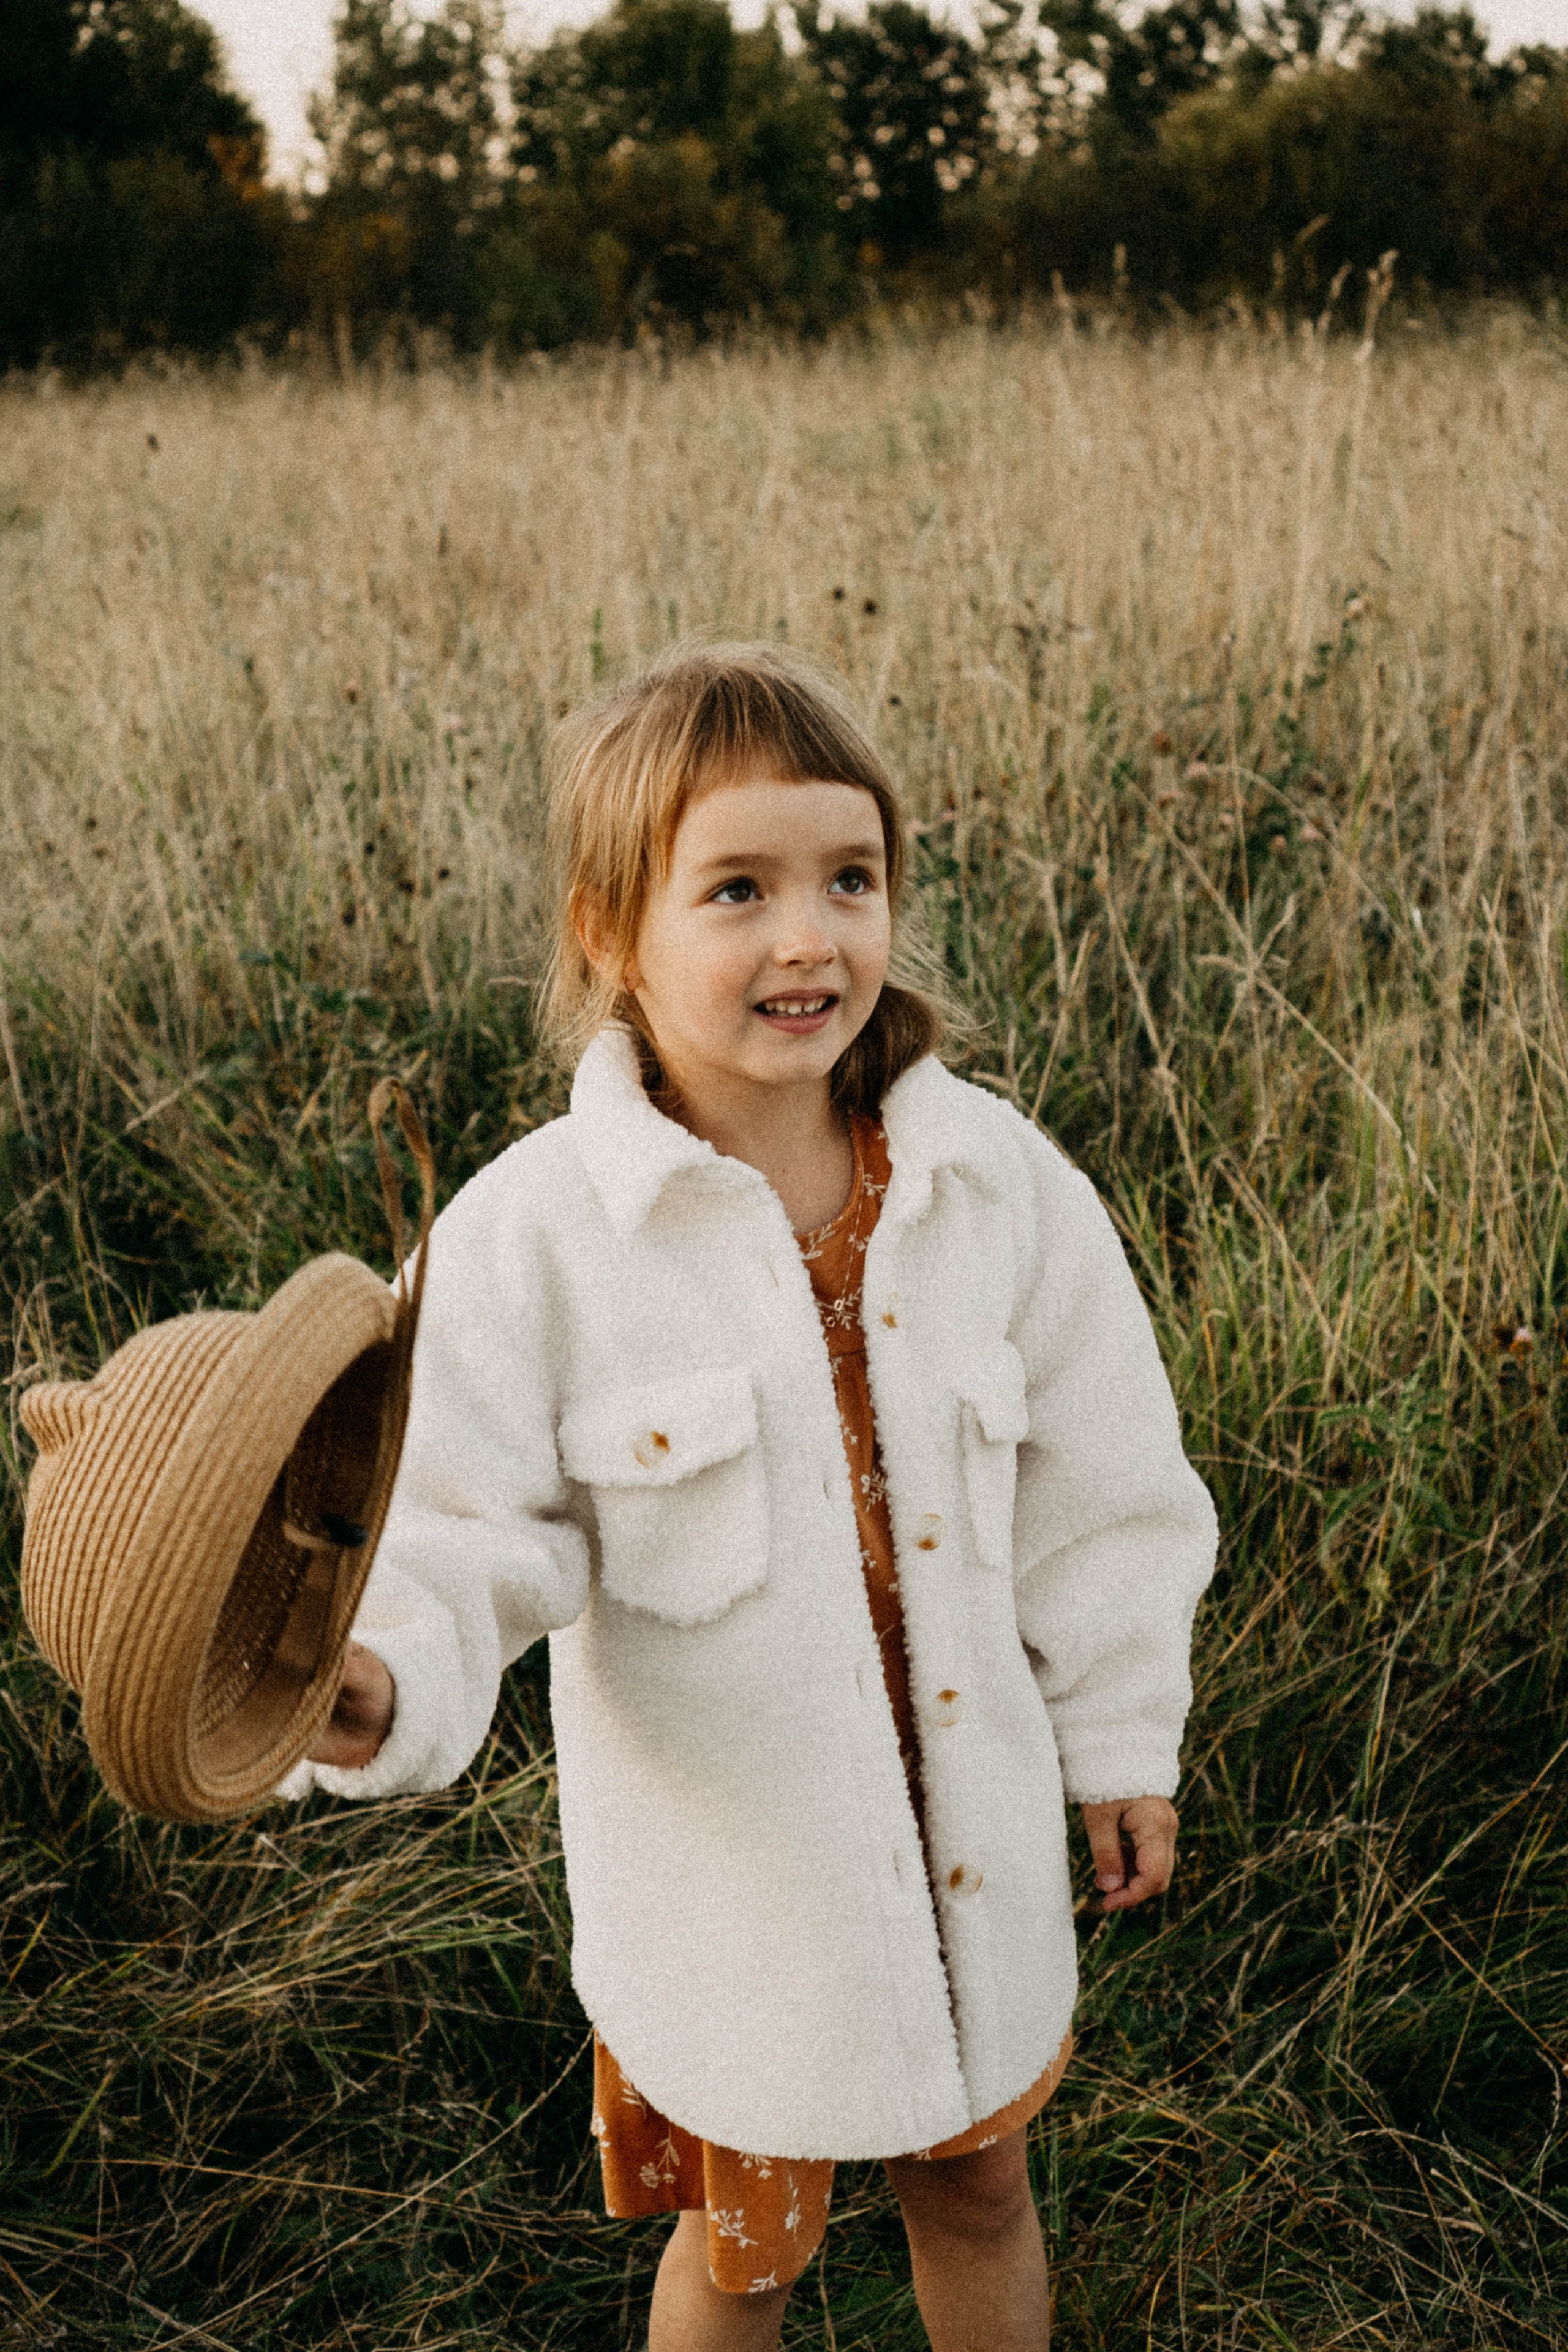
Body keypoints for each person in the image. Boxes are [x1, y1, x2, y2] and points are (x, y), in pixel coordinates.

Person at [287, 641, 1218, 2351]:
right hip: (739, 1906)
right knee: (745, 2251)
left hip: (975, 1847)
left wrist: (1120, 1738)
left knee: (983, 2187)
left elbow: (1107, 1486)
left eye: (849, 880)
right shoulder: (537, 1237)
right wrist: (377, 1681)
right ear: (607, 932)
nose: (810, 938)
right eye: (737, 890)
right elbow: (449, 1524)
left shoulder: (996, 1186)